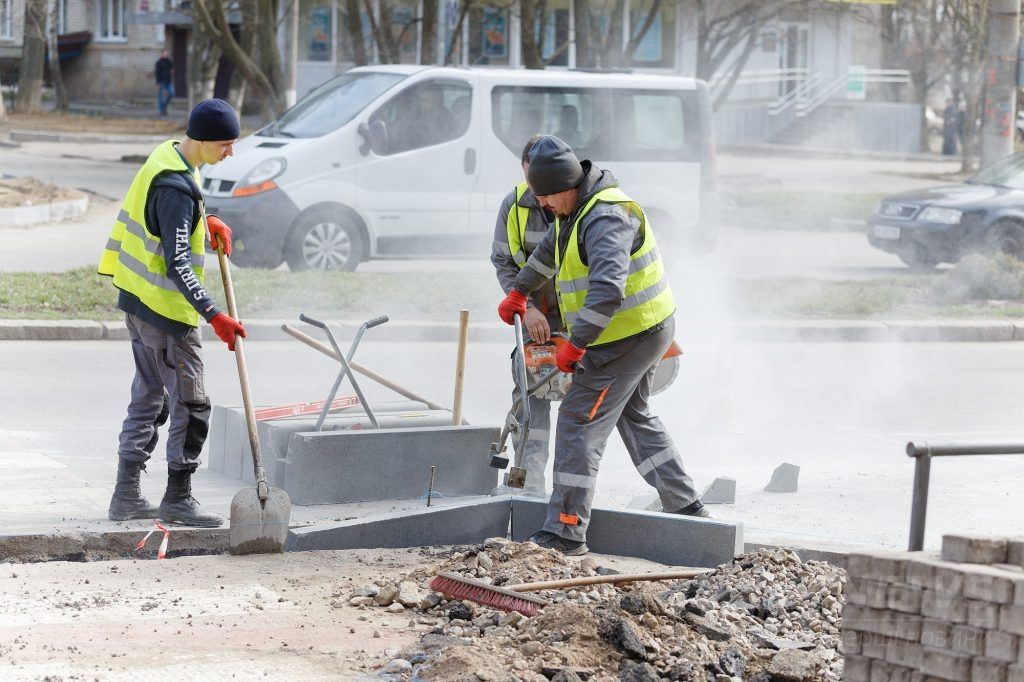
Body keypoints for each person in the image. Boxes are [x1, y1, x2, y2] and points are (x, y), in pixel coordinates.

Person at [496, 135, 705, 556]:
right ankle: (686, 506)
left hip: (628, 336)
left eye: (544, 198)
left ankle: (565, 532)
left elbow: (607, 291)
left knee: (578, 421)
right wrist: (520, 292)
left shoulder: (606, 217)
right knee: (632, 413)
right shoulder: (578, 208)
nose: (543, 207)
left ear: (562, 187)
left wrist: (576, 345)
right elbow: (548, 254)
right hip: (637, 330)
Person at [99, 99, 246, 528]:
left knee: (149, 397)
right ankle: (178, 499)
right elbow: (178, 262)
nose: (230, 152)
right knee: (192, 403)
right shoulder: (174, 188)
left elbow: (169, 225)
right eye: (226, 144)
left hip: (138, 303)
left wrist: (205, 218)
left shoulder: (172, 158)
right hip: (166, 316)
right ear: (202, 140)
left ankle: (125, 497)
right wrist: (214, 314)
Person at [490, 134, 561, 497]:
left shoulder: (571, 201)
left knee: (584, 403)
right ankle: (529, 482)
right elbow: (503, 260)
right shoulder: (514, 205)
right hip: (535, 318)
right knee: (532, 395)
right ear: (524, 169)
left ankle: (572, 489)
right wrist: (528, 309)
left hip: (576, 319)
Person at [155, 49, 175, 117]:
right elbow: (157, 73)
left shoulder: (169, 62)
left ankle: (164, 106)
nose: (166, 54)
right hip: (161, 81)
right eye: (165, 53)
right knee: (161, 97)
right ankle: (162, 111)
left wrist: (172, 72)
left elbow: (172, 70)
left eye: (167, 53)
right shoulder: (158, 62)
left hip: (168, 81)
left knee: (172, 93)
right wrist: (158, 83)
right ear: (162, 54)